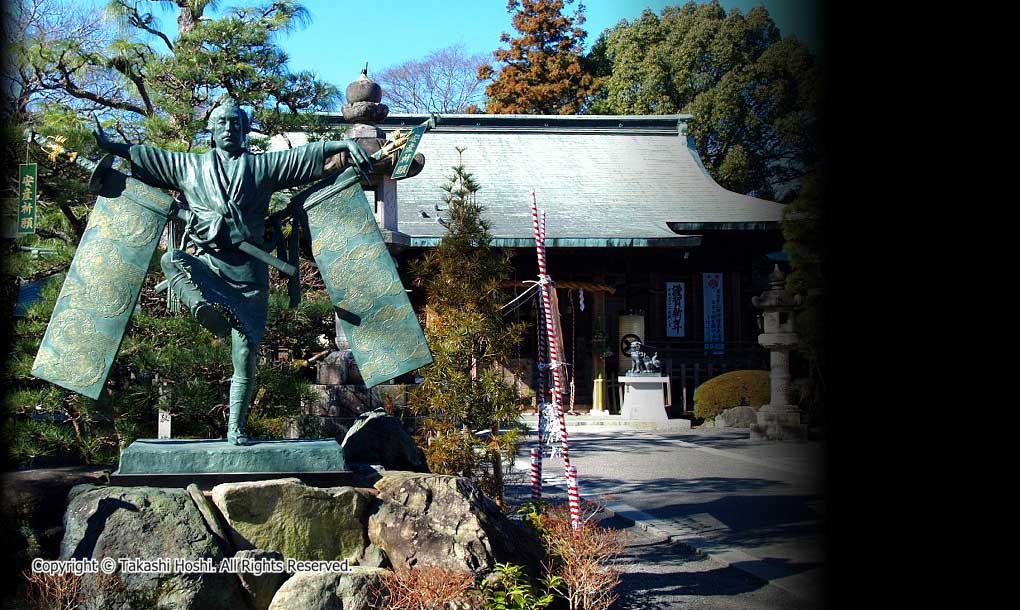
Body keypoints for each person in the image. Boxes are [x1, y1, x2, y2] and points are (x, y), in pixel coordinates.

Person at [93, 98, 372, 445]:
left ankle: (235, 429)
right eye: (221, 123)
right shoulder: (188, 167)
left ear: (245, 132)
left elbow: (303, 158)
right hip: (209, 264)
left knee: (244, 355)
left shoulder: (262, 168)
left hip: (249, 275)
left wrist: (343, 144)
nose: (229, 129)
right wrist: (113, 146)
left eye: (236, 124)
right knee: (172, 259)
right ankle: (201, 308)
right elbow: (149, 156)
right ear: (210, 131)